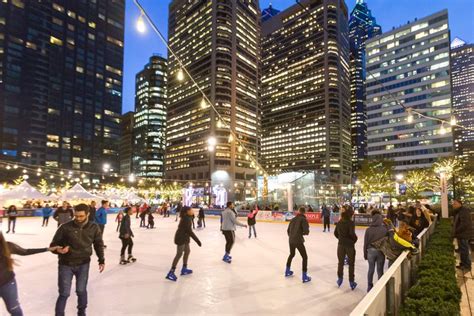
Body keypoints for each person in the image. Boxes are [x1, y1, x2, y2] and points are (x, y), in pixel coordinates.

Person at [50, 203, 105, 316]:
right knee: (64, 293)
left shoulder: (93, 227)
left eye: (81, 216)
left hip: (83, 264)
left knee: (81, 290)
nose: (78, 218)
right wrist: (58, 250)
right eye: (76, 216)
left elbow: (98, 244)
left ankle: (81, 313)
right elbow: (53, 244)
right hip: (66, 264)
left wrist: (101, 260)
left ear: (88, 214)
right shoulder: (65, 227)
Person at [0, 232, 60, 316]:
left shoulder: (7, 246)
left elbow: (25, 251)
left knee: (14, 310)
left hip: (7, 284)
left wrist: (47, 249)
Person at [166, 207, 202, 281]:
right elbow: (190, 231)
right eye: (191, 210)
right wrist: (197, 240)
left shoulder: (187, 217)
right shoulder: (186, 219)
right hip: (181, 238)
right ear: (187, 211)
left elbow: (188, 231)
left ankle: (184, 268)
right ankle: (171, 272)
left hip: (185, 238)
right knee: (179, 254)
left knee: (187, 251)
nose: (192, 211)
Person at [363, 211, 388, 292]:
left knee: (371, 269)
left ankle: (369, 286)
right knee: (380, 269)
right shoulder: (384, 229)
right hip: (381, 251)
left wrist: (365, 254)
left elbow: (365, 243)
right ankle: (380, 286)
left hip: (370, 252)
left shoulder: (368, 230)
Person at [285, 207, 311, 283]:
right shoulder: (303, 219)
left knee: (292, 254)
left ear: (298, 212)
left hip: (291, 240)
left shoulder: (293, 219)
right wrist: (300, 234)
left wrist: (292, 235)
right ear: (304, 212)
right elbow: (306, 232)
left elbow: (288, 231)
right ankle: (304, 276)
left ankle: (287, 271)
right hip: (298, 240)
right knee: (305, 257)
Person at [335, 207, 358, 290]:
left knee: (340, 262)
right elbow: (352, 234)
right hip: (349, 246)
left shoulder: (340, 222)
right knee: (351, 263)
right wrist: (355, 239)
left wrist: (341, 239)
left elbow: (335, 233)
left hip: (341, 245)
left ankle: (340, 279)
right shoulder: (351, 223)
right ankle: (351, 282)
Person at [453, 199, 472, 272]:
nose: (453, 205)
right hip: (462, 234)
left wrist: (456, 231)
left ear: (460, 204)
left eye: (455, 203)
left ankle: (466, 265)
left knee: (464, 250)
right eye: (453, 203)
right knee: (463, 250)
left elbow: (464, 224)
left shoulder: (464, 211)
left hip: (464, 234)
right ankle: (463, 264)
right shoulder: (460, 211)